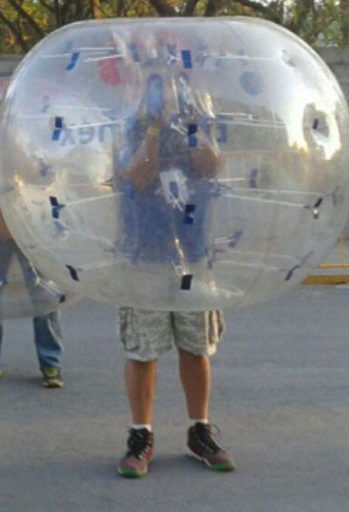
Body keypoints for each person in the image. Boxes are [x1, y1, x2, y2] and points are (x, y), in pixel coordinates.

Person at [113, 63, 235, 478]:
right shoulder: (129, 127)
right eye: (155, 87)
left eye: (169, 87)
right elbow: (136, 176)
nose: (164, 95)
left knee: (195, 345)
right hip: (145, 253)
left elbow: (210, 165)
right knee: (142, 350)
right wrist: (152, 128)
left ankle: (199, 429)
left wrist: (193, 125)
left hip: (193, 252)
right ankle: (141, 433)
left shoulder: (196, 122)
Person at [0, 85, 66, 389]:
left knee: (42, 293)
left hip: (25, 227)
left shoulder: (14, 141)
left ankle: (51, 364)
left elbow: (39, 174)